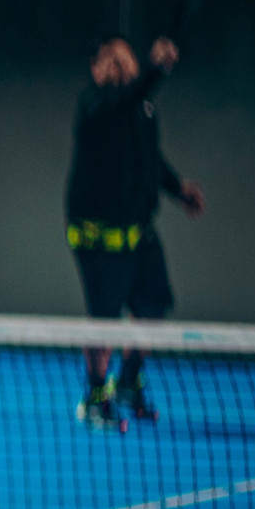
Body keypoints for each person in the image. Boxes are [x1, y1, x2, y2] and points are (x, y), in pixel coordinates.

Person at [65, 35, 206, 430]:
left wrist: (178, 189)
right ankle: (95, 398)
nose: (116, 62)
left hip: (140, 234)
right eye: (107, 58)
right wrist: (157, 70)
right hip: (99, 239)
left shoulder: (141, 111)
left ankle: (128, 382)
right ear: (95, 68)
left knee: (153, 307)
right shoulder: (94, 107)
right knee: (104, 322)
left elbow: (150, 159)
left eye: (123, 57)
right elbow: (123, 100)